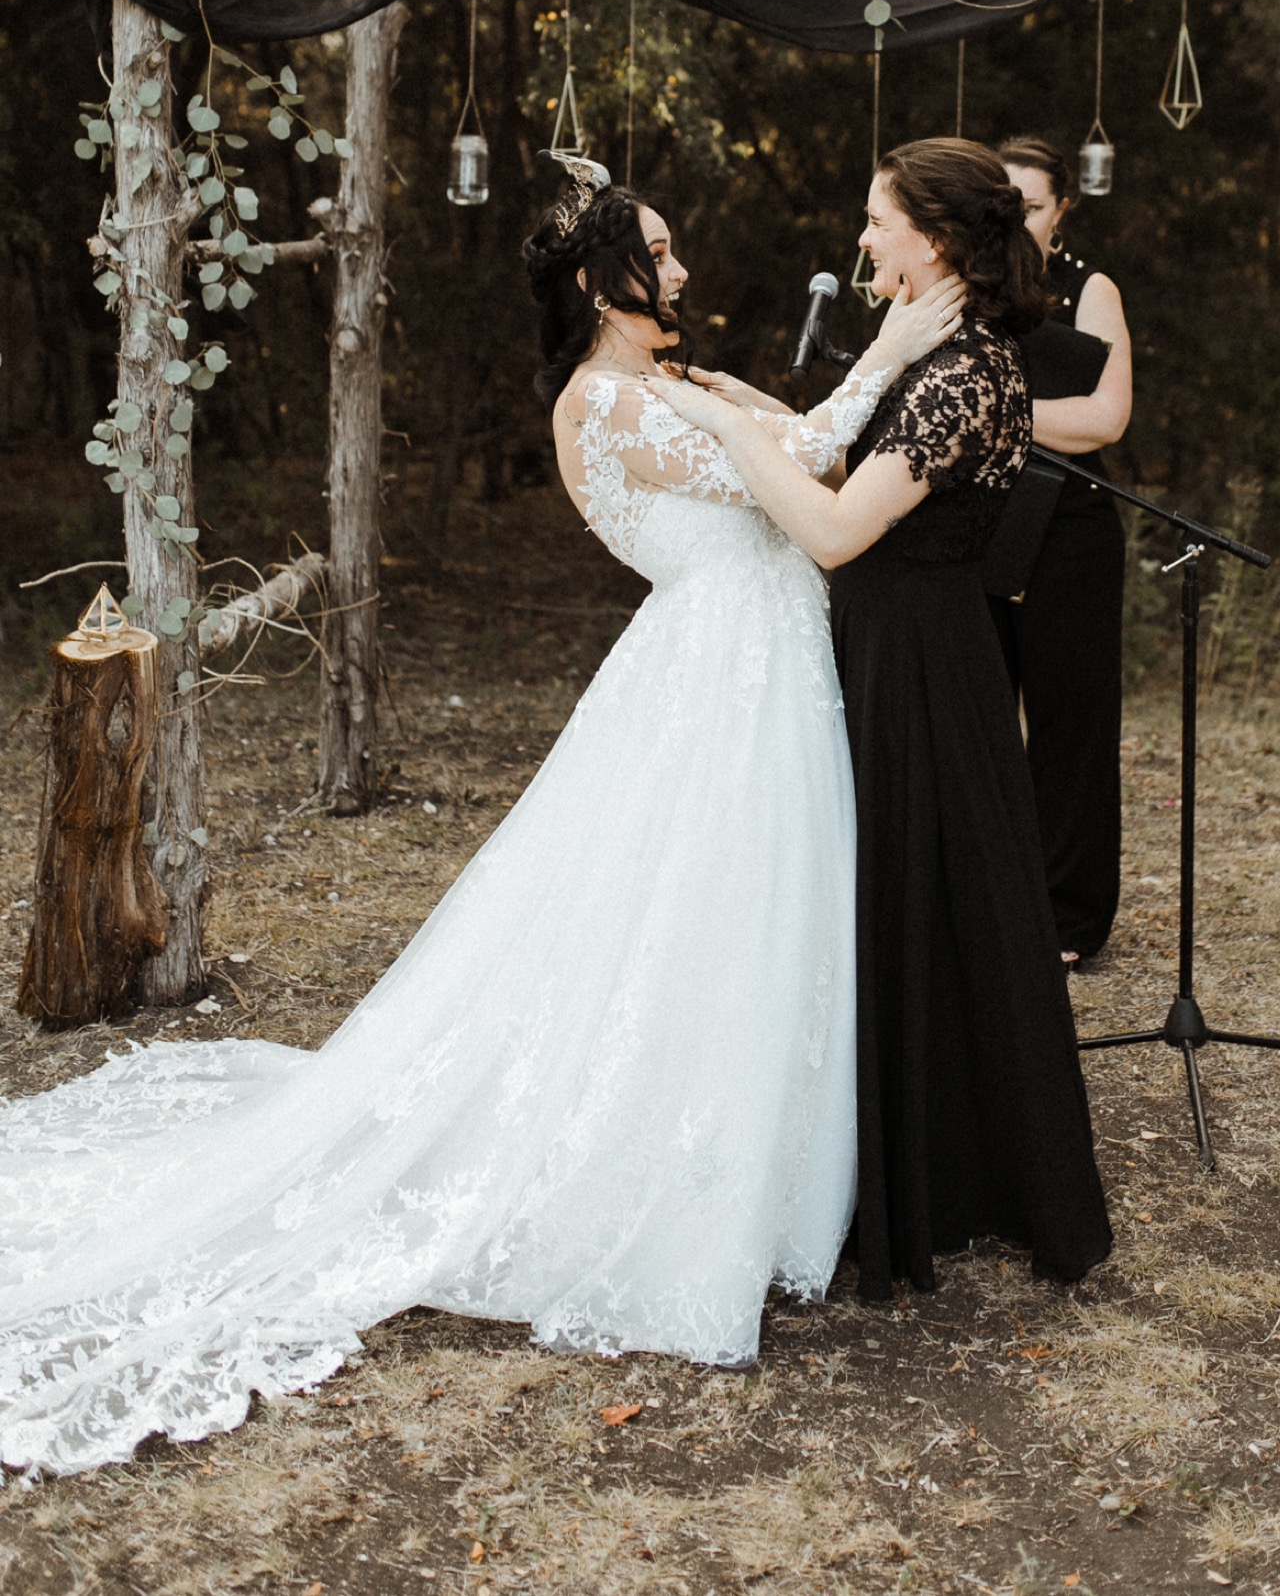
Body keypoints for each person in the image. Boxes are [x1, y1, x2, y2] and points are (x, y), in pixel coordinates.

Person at [0, 158, 962, 1478]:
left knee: (754, 916)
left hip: (757, 669)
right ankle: (679, 1193)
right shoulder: (604, 404)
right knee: (704, 916)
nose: (681, 273)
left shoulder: (666, 385)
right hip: (716, 681)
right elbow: (803, 460)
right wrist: (898, 343)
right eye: (659, 255)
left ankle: (780, 1177)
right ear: (595, 282)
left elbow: (783, 446)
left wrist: (817, 384)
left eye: (677, 253)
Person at [653, 137, 1112, 1300]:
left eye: (877, 220)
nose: (861, 238)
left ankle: (963, 1183)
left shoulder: (972, 374)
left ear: (939, 240)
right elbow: (846, 453)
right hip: (880, 645)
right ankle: (913, 1166)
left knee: (937, 913)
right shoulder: (933, 356)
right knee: (907, 917)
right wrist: (750, 404)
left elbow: (836, 528)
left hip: (922, 667)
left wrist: (730, 435)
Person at [989, 137, 1133, 966]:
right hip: (972, 523)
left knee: (1069, 722)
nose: (1016, 221)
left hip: (1069, 529)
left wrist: (988, 414)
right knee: (978, 713)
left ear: (1062, 210)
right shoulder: (960, 291)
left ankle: (1068, 918)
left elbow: (1105, 418)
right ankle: (988, 894)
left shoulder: (1089, 289)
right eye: (1001, 206)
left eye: (1031, 206)